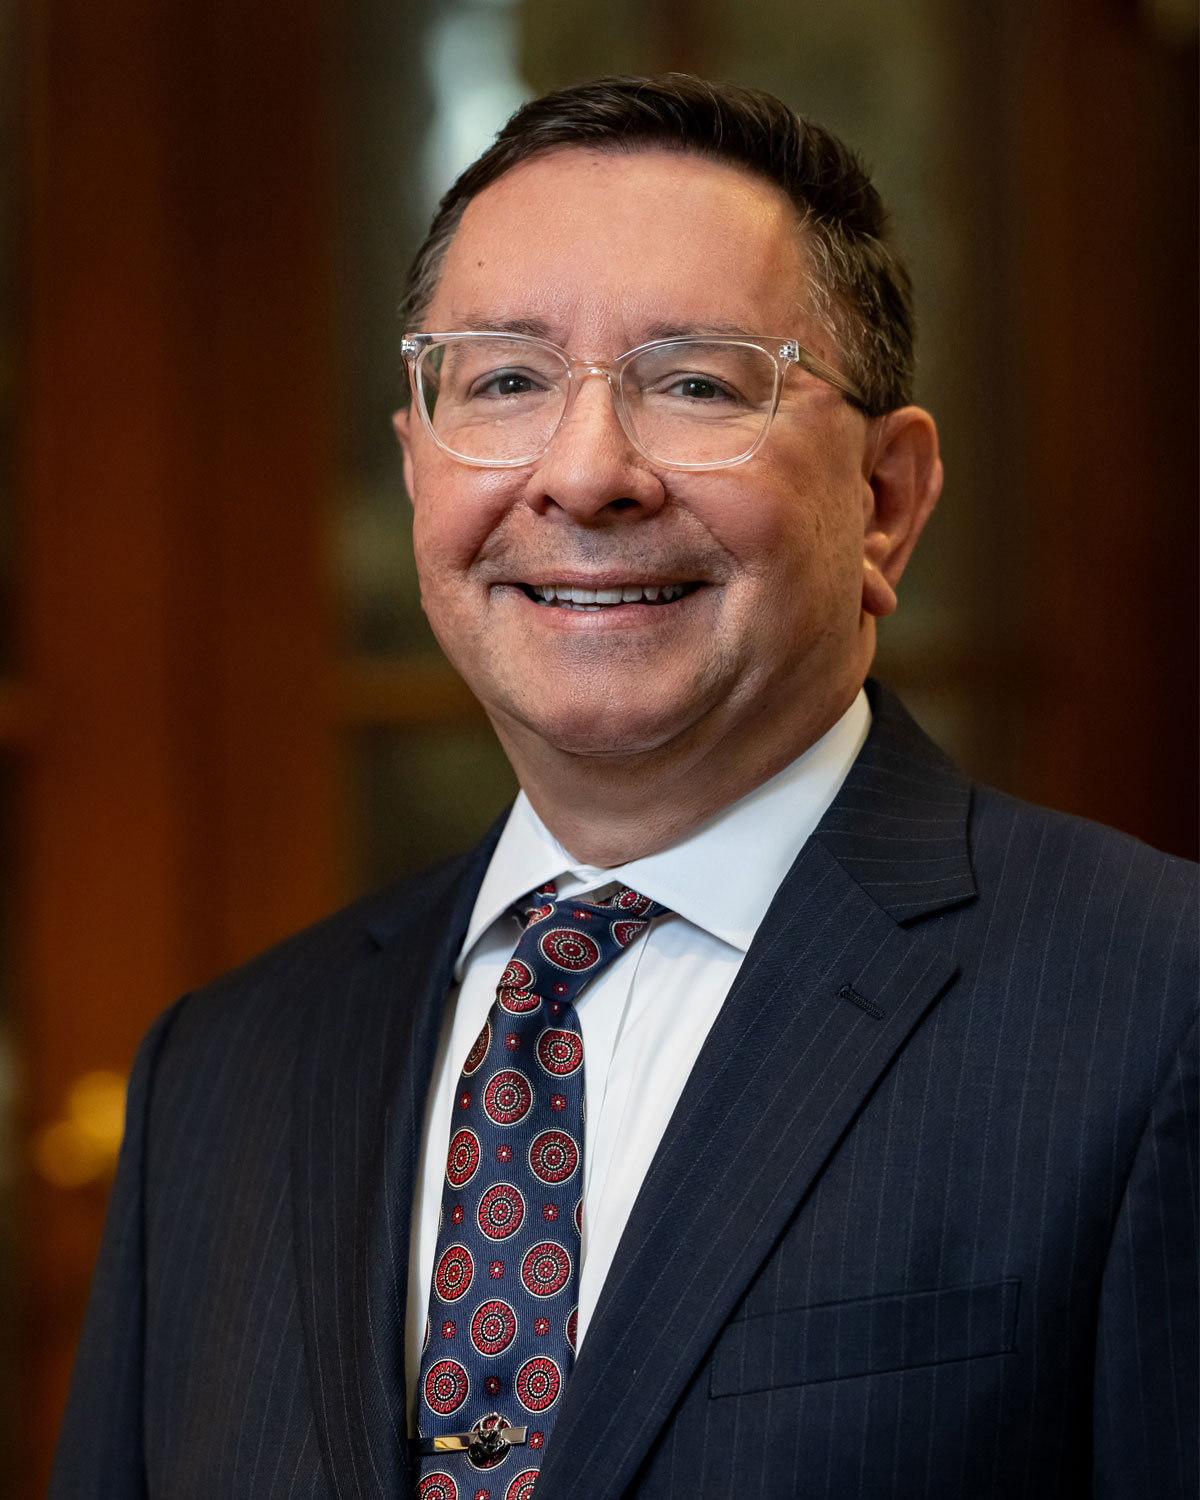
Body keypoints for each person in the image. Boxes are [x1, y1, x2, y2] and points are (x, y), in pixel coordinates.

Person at [52, 74, 1196, 1500]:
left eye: (699, 382)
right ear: (419, 476)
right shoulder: (219, 1074)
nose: (586, 474)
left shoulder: (1157, 1005)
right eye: (507, 381)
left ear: (886, 503)